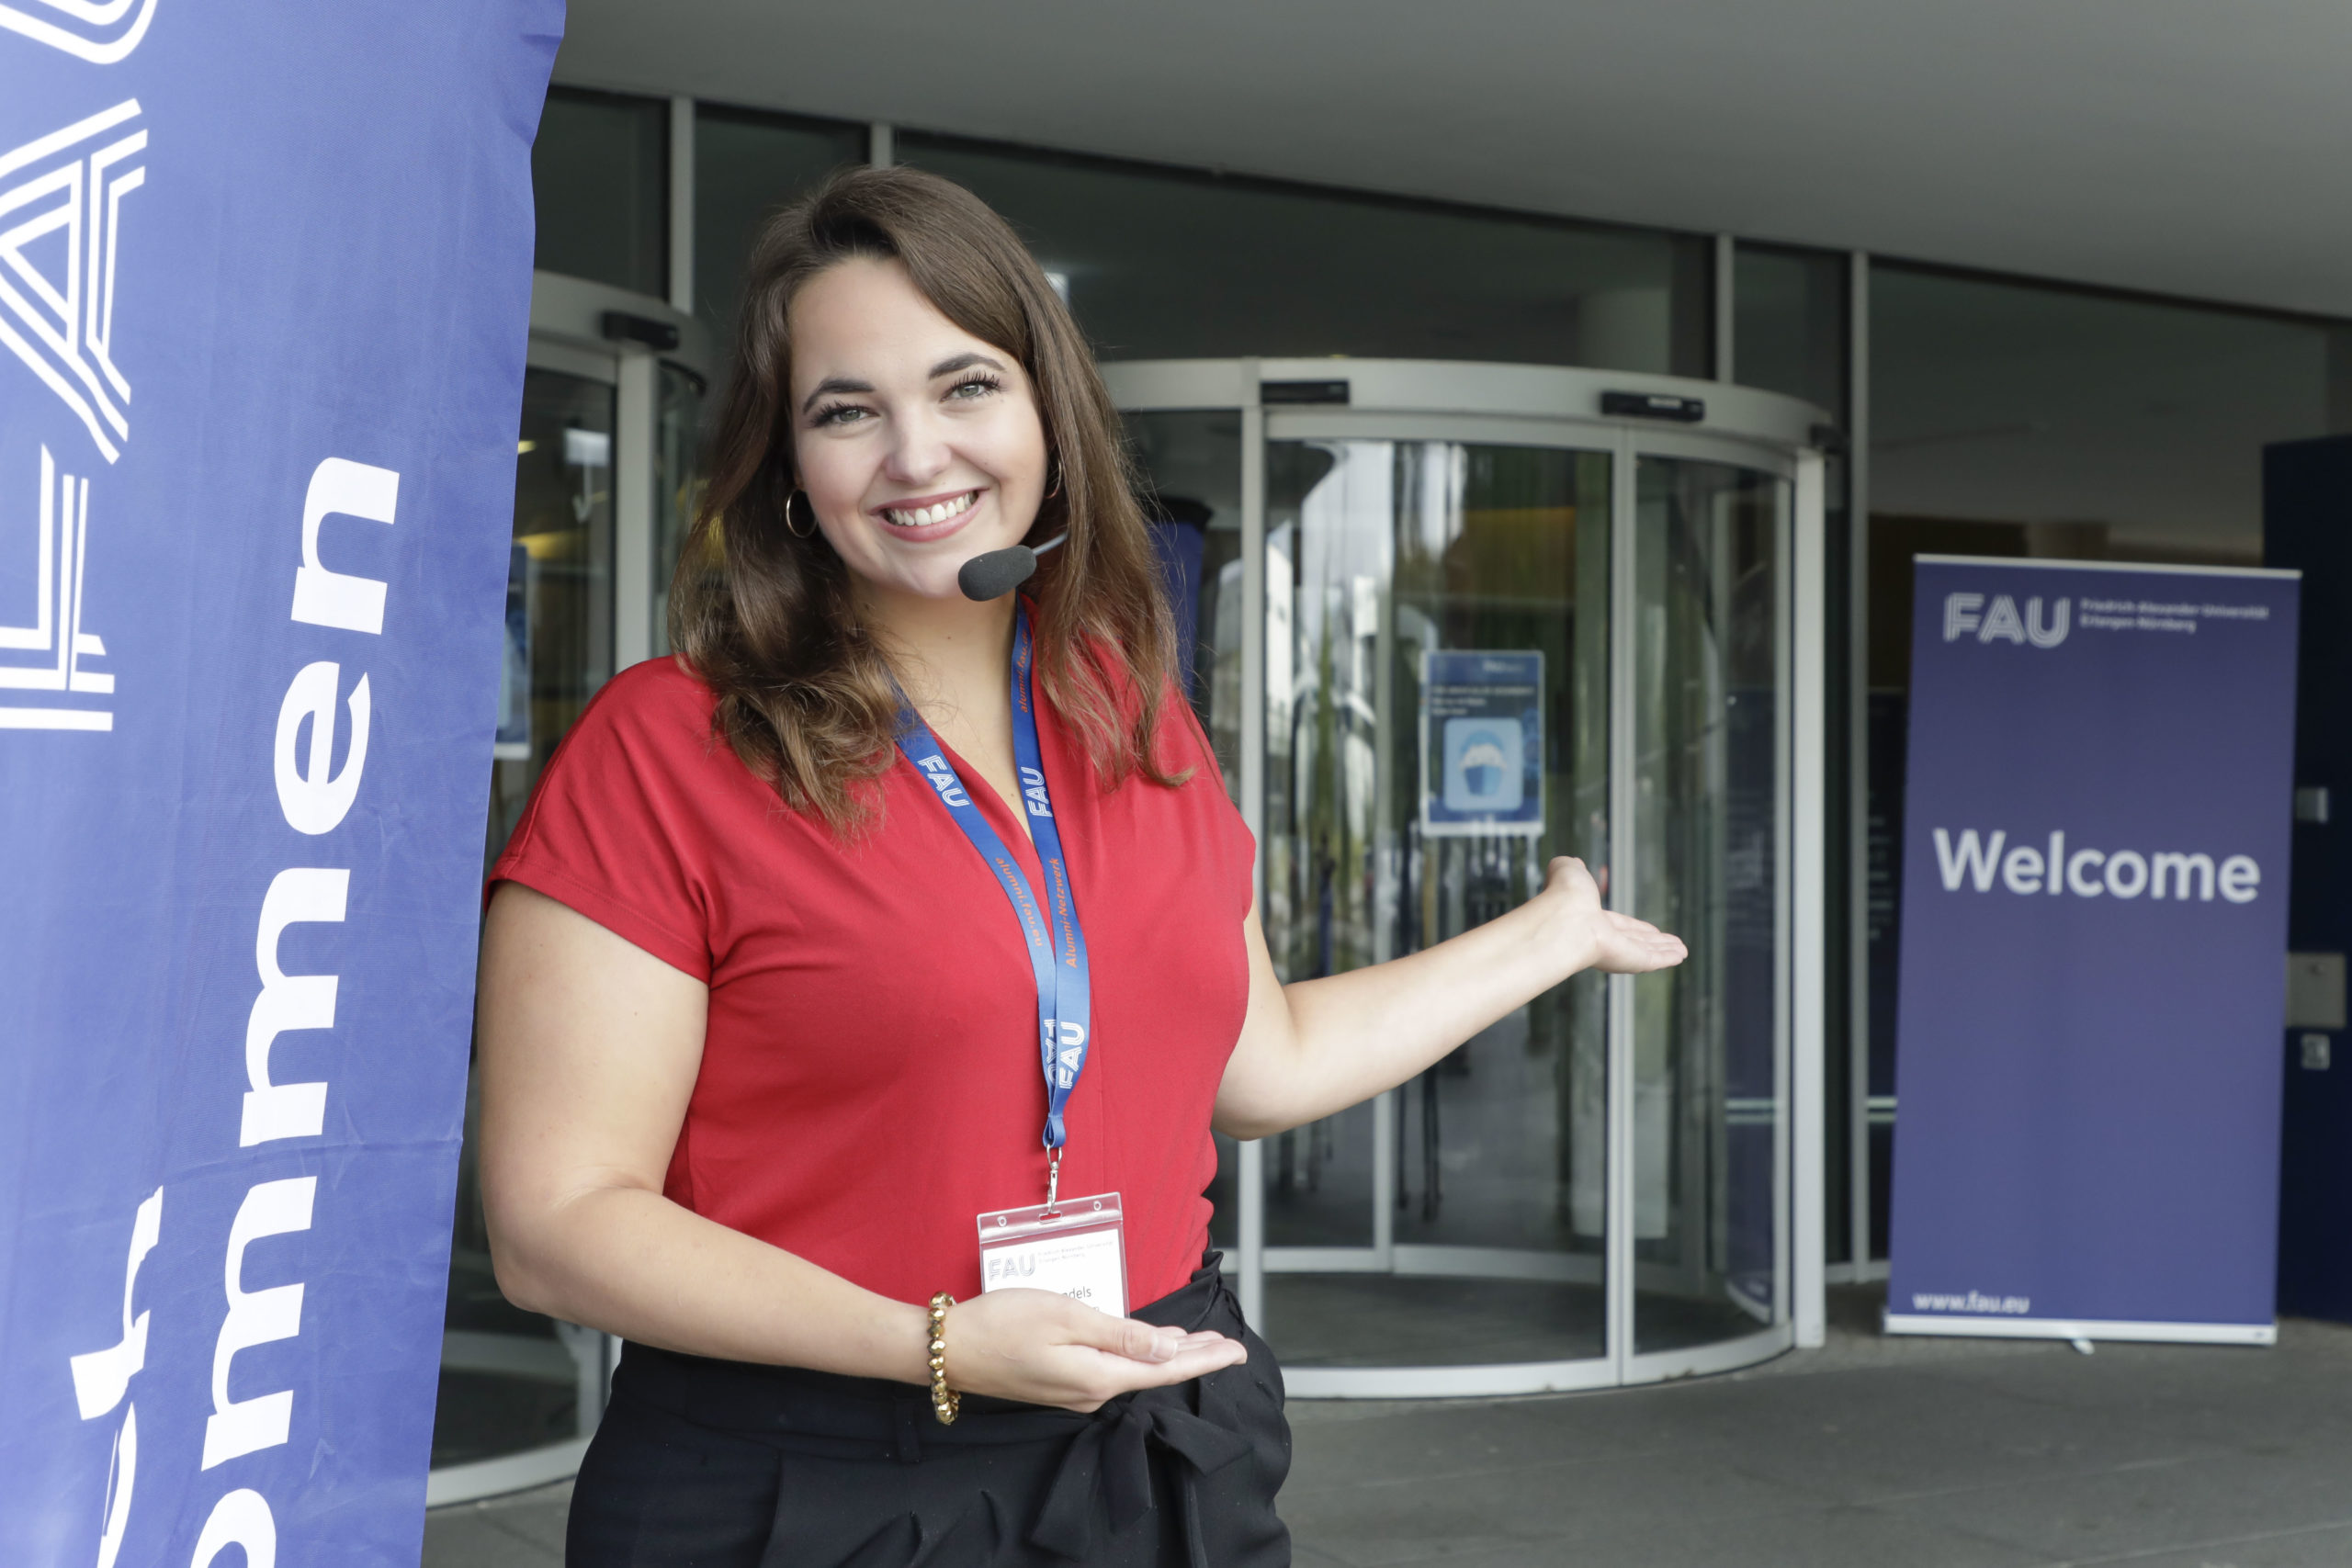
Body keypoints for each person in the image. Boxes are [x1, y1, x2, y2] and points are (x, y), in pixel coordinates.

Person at [475, 164, 1687, 1568]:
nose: (917, 455)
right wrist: (933, 1344)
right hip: (814, 1478)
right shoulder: (668, 747)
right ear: (786, 467)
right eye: (846, 411)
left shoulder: (1129, 715)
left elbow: (1263, 1062)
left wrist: (1548, 935)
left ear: (1048, 412)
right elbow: (558, 1224)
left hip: (1155, 1449)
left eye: (965, 386)